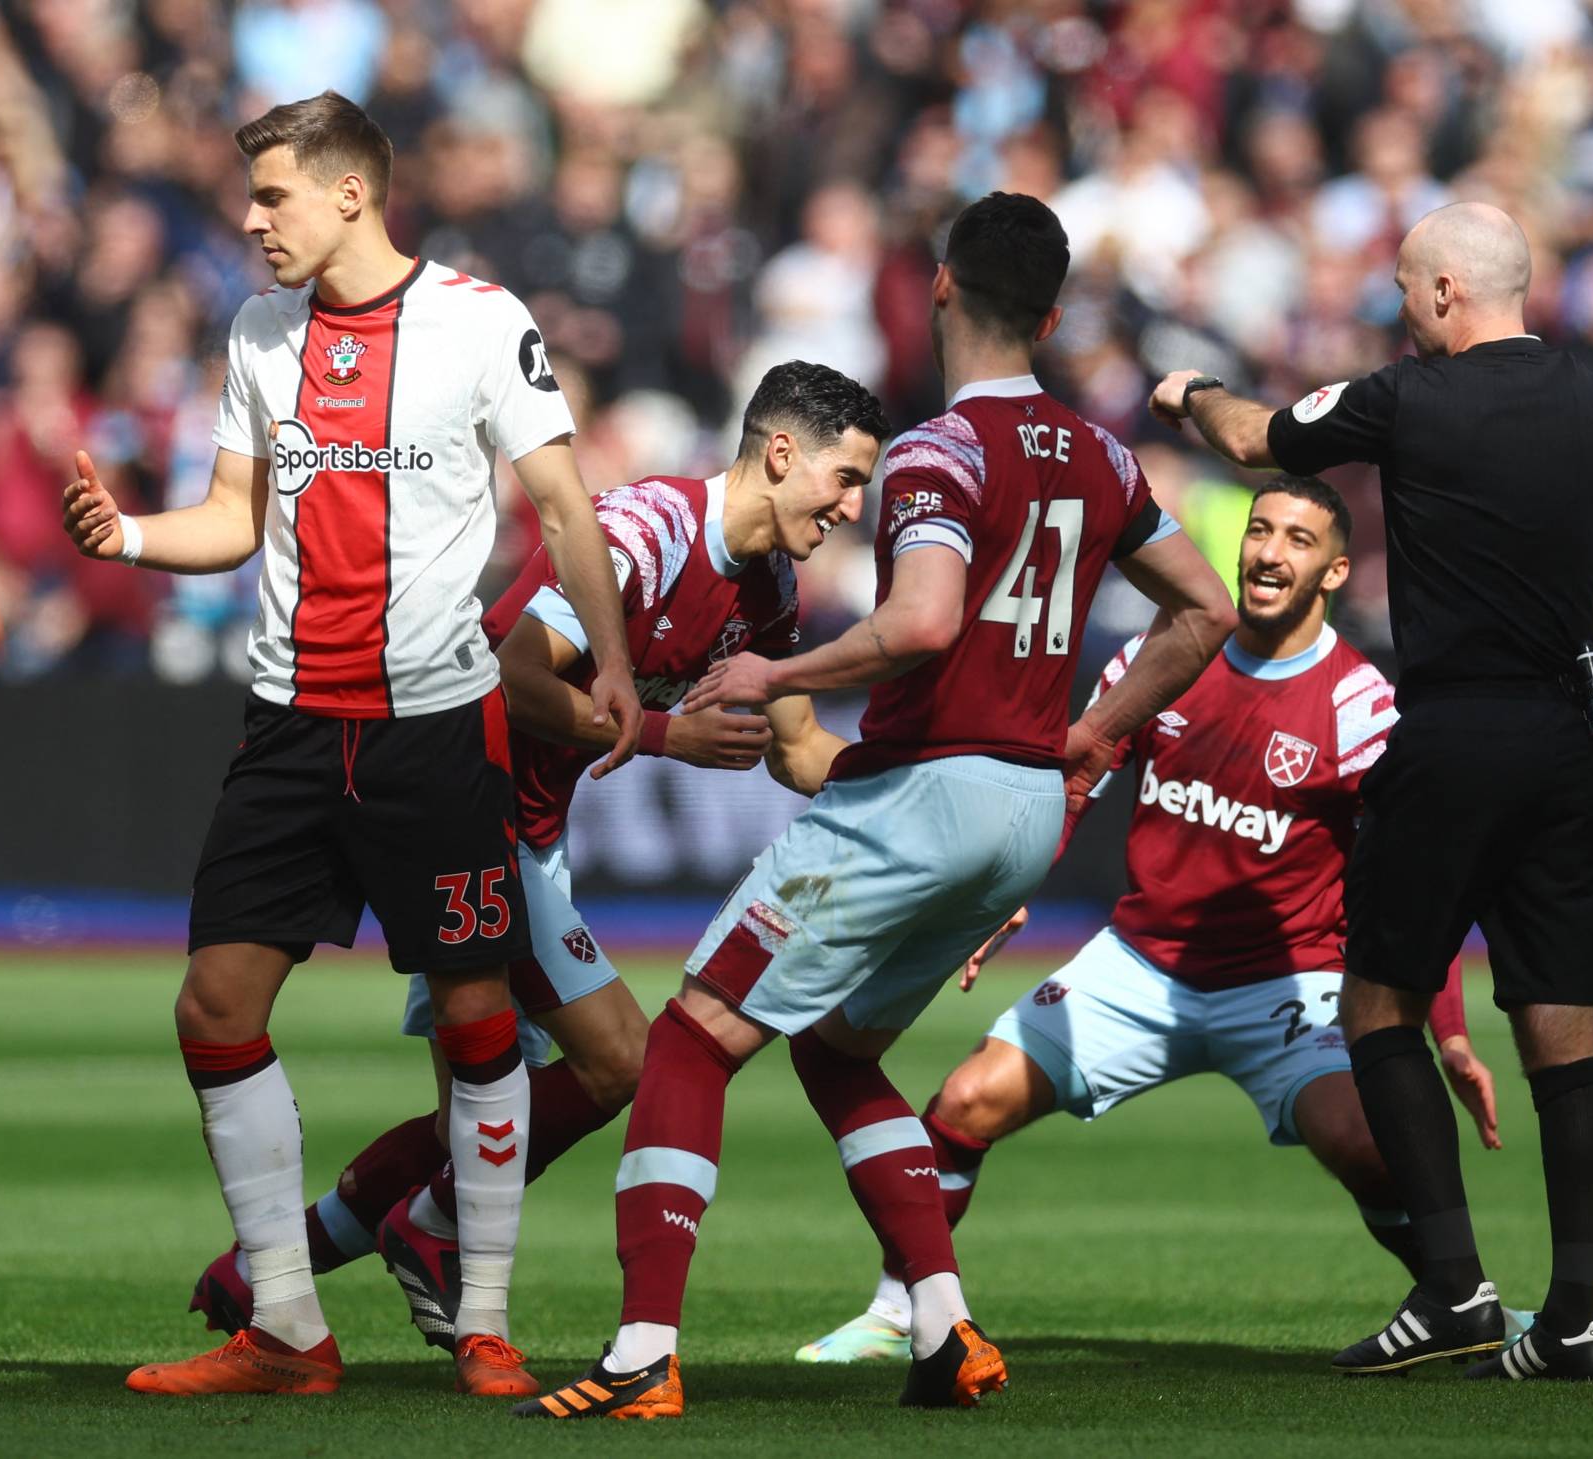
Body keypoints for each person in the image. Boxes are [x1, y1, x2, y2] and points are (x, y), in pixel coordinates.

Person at [515, 191, 1236, 1422]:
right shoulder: (1104, 455)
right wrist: (1086, 742)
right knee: (840, 1050)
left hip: (923, 789)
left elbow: (920, 624)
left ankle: (641, 1350)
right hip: (1017, 808)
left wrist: (776, 672)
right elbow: (1206, 612)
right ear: (1054, 314)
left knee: (689, 1039)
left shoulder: (937, 450)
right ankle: (945, 1329)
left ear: (942, 286)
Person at [61, 91, 641, 1399]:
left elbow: (559, 497)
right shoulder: (260, 331)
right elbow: (231, 514)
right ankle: (284, 1327)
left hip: (434, 730)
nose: (252, 219)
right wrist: (134, 538)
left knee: (479, 1013)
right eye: (249, 196)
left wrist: (606, 656)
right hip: (289, 724)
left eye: (271, 196)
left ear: (348, 196)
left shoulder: (482, 322)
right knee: (215, 1005)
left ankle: (484, 1316)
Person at [184, 362, 886, 1368]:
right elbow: (508, 677)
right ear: (780, 454)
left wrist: (929, 808)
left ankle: (273, 1271)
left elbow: (802, 746)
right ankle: (422, 1232)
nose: (852, 508)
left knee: (474, 1105)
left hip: (527, 824)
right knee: (619, 1061)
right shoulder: (641, 531)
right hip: (457, 802)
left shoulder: (767, 589)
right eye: (845, 478)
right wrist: (660, 736)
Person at [795, 475, 1514, 1365]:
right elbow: (1072, 779)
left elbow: (1416, 884)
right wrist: (998, 889)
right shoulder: (1164, 654)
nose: (1268, 553)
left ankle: (1459, 1296)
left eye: (1297, 540)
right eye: (1260, 531)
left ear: (1333, 572)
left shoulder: (1361, 707)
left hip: (1286, 982)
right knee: (966, 1102)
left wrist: (1445, 1030)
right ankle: (901, 1306)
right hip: (1139, 965)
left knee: (1366, 1139)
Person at [1148, 202, 1593, 1381]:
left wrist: (1184, 389)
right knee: (1561, 1028)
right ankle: (1573, 1318)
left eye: (1405, 290)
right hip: (1568, 726)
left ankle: (1453, 1288)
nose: (1400, 310)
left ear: (1439, 294)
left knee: (1374, 1001)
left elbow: (1253, 439)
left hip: (1454, 727)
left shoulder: (1408, 398)